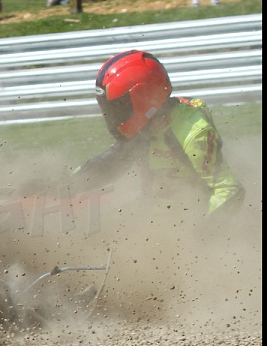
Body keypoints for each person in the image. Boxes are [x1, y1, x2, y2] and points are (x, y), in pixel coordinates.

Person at [70, 50, 244, 220]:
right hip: (154, 217)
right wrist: (66, 184)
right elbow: (114, 160)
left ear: (141, 98)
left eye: (117, 108)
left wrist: (198, 238)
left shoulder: (192, 134)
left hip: (185, 224)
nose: (112, 116)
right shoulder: (147, 126)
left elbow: (230, 191)